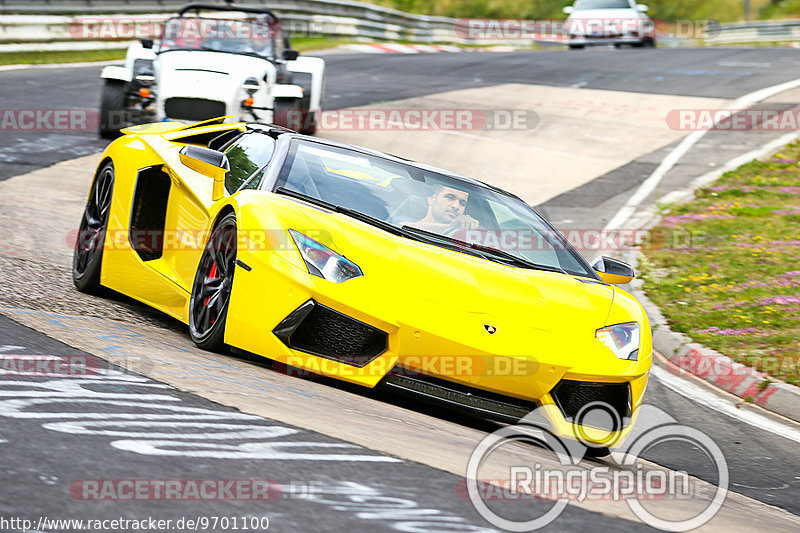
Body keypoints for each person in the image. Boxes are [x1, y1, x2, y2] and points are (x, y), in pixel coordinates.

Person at [405, 184, 479, 234]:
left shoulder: (463, 238)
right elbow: (403, 226)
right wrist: (450, 227)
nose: (456, 206)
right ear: (432, 198)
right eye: (450, 197)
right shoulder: (401, 223)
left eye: (462, 203)